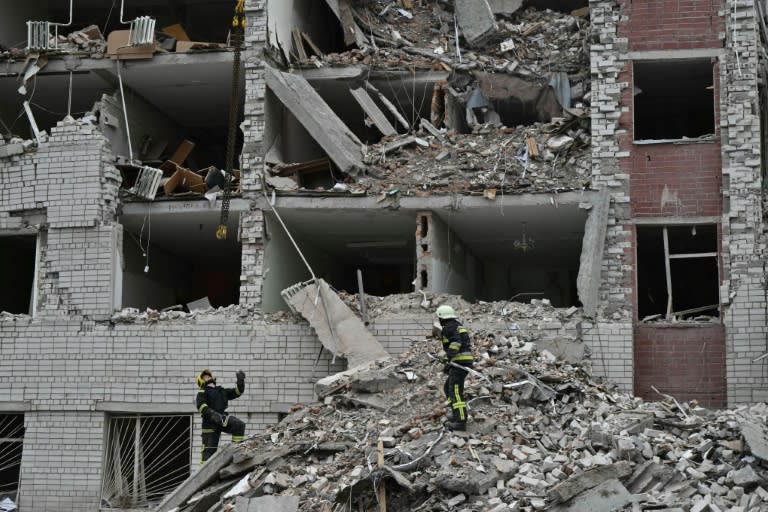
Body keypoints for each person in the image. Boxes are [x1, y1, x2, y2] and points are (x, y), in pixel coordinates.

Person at [436, 305, 474, 431]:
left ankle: (461, 421)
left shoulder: (448, 328)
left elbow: (456, 342)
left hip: (460, 361)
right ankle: (457, 414)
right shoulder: (457, 325)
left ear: (442, 318)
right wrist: (449, 363)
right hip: (463, 361)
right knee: (448, 388)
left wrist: (449, 355)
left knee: (455, 392)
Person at [196, 368, 246, 462]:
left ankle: (235, 452)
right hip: (209, 424)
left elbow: (237, 392)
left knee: (239, 425)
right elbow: (201, 406)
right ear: (201, 381)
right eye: (205, 377)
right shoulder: (202, 391)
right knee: (208, 456)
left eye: (209, 376)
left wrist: (240, 381)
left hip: (221, 419)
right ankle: (204, 474)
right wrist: (212, 414)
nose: (208, 377)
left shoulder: (221, 391)